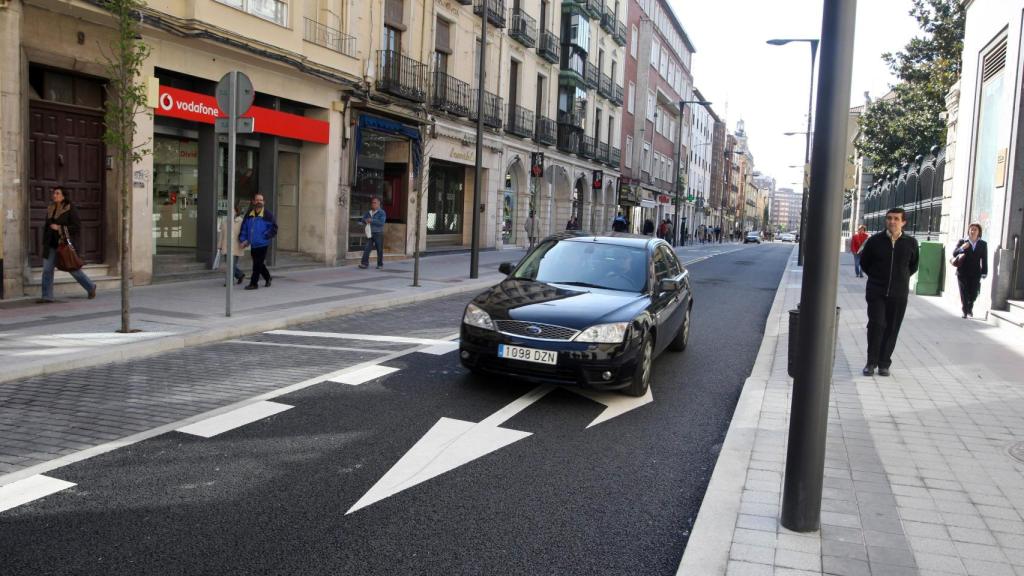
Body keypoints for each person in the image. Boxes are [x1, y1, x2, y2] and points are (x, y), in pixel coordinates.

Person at [859, 208, 919, 377]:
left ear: (903, 222)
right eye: (889, 218)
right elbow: (865, 263)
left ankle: (884, 363)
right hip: (876, 291)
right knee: (876, 325)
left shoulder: (911, 243)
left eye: (896, 219)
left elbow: (913, 266)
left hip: (898, 294)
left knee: (892, 328)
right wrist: (878, 278)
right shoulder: (875, 241)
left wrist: (900, 279)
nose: (892, 221)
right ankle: (871, 362)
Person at [37, 186, 96, 303]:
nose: (55, 195)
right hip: (50, 244)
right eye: (54, 193)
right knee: (47, 270)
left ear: (63, 196)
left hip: (63, 245)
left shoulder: (70, 208)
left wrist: (59, 228)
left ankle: (90, 287)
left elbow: (77, 227)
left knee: (72, 269)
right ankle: (47, 296)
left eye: (57, 193)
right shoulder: (50, 208)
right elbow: (47, 226)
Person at [239, 193, 278, 290]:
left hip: (263, 244)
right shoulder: (249, 214)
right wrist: (243, 240)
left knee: (256, 264)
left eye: (261, 200)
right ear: (253, 201)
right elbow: (244, 228)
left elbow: (274, 228)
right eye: (257, 200)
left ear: (264, 202)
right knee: (259, 264)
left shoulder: (268, 215)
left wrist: (265, 236)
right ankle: (268, 277)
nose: (259, 202)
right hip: (253, 244)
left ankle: (253, 283)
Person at [951, 222, 988, 319]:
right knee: (964, 292)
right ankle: (965, 311)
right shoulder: (963, 241)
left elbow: (984, 259)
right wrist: (961, 248)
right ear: (968, 231)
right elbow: (954, 253)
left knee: (974, 293)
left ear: (979, 232)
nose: (973, 231)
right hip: (962, 271)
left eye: (975, 229)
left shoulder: (983, 244)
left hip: (976, 272)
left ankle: (970, 307)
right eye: (971, 229)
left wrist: (984, 272)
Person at [218, 207, 246, 286]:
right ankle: (240, 275)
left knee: (231, 265)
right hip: (226, 246)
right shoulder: (224, 222)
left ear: (237, 212)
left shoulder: (241, 222)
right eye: (229, 211)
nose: (231, 212)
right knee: (228, 264)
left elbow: (244, 234)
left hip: (236, 246)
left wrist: (244, 243)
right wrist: (219, 245)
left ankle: (229, 282)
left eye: (233, 211)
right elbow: (222, 235)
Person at [359, 196, 387, 269]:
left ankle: (380, 264)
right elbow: (362, 219)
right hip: (370, 233)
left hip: (378, 233)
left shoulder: (382, 212)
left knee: (379, 249)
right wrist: (365, 220)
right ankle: (364, 264)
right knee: (367, 248)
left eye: (375, 203)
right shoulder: (369, 212)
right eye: (372, 203)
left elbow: (381, 222)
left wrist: (371, 220)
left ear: (378, 204)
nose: (373, 204)